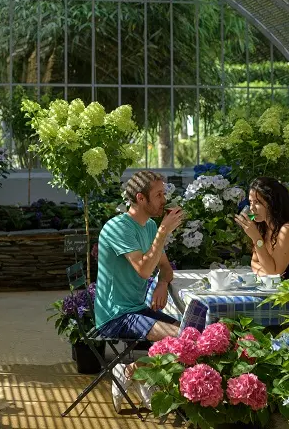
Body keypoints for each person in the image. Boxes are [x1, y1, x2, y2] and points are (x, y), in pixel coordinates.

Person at [94, 170, 184, 411]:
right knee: (181, 338)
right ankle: (143, 377)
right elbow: (144, 270)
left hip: (137, 310)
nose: (164, 200)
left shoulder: (149, 226)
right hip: (116, 315)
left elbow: (165, 269)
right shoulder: (117, 228)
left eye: (163, 193)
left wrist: (163, 284)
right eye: (158, 195)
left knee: (190, 334)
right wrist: (163, 232)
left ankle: (133, 371)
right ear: (140, 198)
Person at [233, 176, 289, 299]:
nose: (252, 208)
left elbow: (274, 273)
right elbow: (254, 262)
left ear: (272, 203)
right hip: (283, 298)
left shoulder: (288, 230)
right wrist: (267, 274)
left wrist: (257, 239)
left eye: (258, 202)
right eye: (251, 202)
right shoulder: (263, 227)